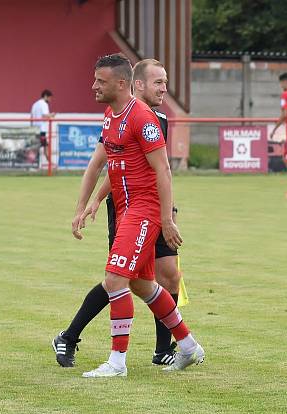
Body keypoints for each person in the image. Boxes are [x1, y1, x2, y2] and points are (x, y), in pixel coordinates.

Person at [64, 53, 203, 378]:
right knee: (142, 284)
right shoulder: (112, 116)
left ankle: (117, 362)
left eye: (101, 80)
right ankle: (188, 346)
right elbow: (104, 167)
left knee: (115, 279)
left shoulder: (143, 118)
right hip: (126, 209)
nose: (94, 85)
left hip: (145, 209)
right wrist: (85, 205)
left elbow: (163, 169)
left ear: (122, 83)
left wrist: (167, 219)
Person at [31, 89, 56, 155]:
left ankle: (50, 163)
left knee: (39, 147)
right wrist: (52, 115)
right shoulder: (44, 104)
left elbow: (32, 117)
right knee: (46, 146)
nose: (50, 100)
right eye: (50, 98)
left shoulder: (35, 104)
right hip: (41, 130)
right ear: (45, 96)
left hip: (34, 129)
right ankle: (51, 163)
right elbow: (44, 115)